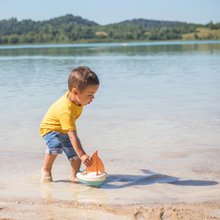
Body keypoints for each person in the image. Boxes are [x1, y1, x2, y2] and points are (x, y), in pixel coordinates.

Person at [40, 66, 99, 182]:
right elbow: (72, 135)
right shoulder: (65, 109)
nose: (93, 97)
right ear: (75, 91)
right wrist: (83, 154)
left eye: (94, 94)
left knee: (75, 157)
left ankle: (74, 176)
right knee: (55, 146)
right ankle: (46, 170)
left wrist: (79, 155)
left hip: (64, 129)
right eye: (90, 94)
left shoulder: (76, 98)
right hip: (50, 128)